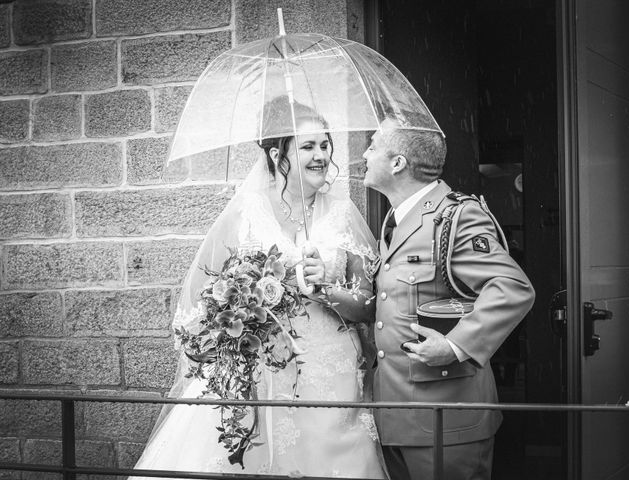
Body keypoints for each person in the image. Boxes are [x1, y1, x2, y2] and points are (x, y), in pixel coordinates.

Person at [130, 97, 386, 478]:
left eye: (324, 144)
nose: (320, 155)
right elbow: (210, 296)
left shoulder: (343, 212)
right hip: (259, 365)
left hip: (329, 369)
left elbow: (367, 303)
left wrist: (326, 290)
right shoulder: (247, 213)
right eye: (307, 146)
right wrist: (247, 307)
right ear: (275, 153)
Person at [362, 117, 535, 480]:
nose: (365, 154)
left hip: (445, 422)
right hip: (396, 416)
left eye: (374, 145)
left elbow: (512, 287)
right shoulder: (396, 219)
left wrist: (456, 345)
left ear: (398, 163)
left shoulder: (456, 216)